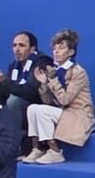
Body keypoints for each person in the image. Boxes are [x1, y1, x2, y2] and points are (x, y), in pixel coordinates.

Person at [24, 30, 91, 164]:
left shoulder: (78, 72)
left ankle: (55, 151)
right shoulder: (55, 72)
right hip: (64, 113)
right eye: (54, 48)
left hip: (78, 115)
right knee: (33, 108)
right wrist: (44, 84)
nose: (56, 51)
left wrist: (53, 80)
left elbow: (65, 100)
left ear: (71, 52)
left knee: (42, 111)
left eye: (61, 48)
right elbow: (48, 102)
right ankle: (38, 148)